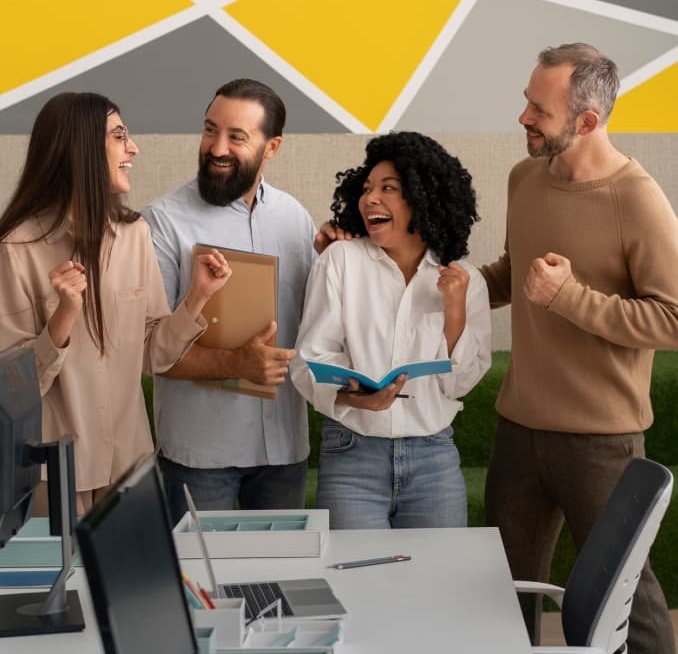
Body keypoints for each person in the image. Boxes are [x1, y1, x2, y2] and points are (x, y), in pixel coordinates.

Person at [480, 43, 678, 652]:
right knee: (497, 596)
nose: (524, 118)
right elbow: (515, 273)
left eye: (539, 111)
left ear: (587, 121)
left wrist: (570, 297)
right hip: (518, 430)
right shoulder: (523, 178)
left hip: (601, 441)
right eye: (527, 103)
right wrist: (451, 287)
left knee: (629, 605)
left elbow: (672, 319)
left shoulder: (636, 198)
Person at [0, 92, 231, 515]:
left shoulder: (134, 234)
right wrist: (63, 316)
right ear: (82, 147)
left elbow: (151, 354)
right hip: (54, 478)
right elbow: (10, 388)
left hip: (130, 471)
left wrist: (197, 296)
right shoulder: (15, 248)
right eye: (119, 136)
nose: (133, 148)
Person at [290, 131, 491, 529]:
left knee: (438, 570)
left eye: (388, 188)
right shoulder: (340, 261)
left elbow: (460, 384)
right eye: (367, 189)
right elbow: (308, 361)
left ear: (423, 197)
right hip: (352, 455)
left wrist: (455, 312)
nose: (370, 199)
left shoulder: (465, 280)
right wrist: (355, 397)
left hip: (434, 458)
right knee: (354, 571)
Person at [141, 79, 316, 526]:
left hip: (284, 450)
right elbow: (149, 350)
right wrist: (237, 364)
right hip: (200, 456)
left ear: (272, 147)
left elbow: (318, 324)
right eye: (209, 130)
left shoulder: (296, 219)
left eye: (236, 136)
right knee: (196, 572)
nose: (217, 148)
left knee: (282, 570)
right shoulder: (162, 221)